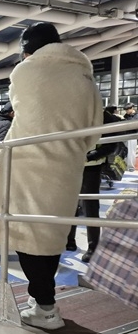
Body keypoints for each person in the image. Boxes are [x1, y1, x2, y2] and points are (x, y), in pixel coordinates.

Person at [0, 22, 103, 330]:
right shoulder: (84, 77)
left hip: (28, 164)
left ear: (27, 51)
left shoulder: (25, 72)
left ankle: (45, 308)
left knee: (26, 235)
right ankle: (42, 302)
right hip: (68, 168)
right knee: (52, 235)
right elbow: (94, 128)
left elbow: (22, 107)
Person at [66, 108, 122, 263]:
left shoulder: (101, 113)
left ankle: (93, 246)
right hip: (71, 163)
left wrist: (91, 156)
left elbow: (112, 140)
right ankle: (69, 240)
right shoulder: (70, 110)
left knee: (90, 205)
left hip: (92, 164)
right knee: (69, 203)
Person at [123, 102, 137, 171]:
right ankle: (125, 165)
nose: (126, 111)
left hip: (132, 135)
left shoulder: (136, 116)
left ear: (131, 108)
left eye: (127, 109)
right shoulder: (126, 116)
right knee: (125, 151)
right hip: (126, 135)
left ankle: (131, 167)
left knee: (131, 152)